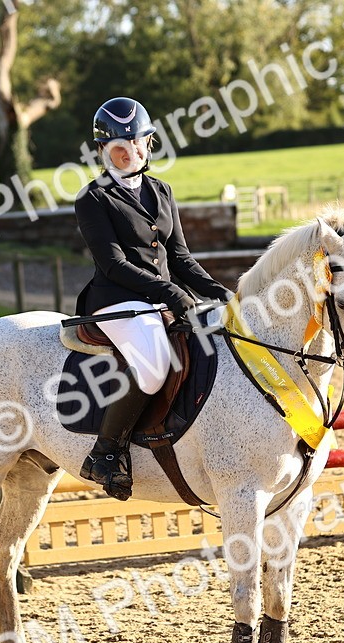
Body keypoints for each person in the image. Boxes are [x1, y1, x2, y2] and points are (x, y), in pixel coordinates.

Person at [74, 96, 234, 501]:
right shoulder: (93, 198)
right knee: (154, 361)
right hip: (116, 300)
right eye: (119, 148)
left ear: (150, 143)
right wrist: (171, 293)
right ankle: (106, 452)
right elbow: (112, 264)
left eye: (138, 143)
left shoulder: (162, 190)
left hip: (162, 298)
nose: (130, 153)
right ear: (103, 151)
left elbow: (179, 257)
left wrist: (222, 293)